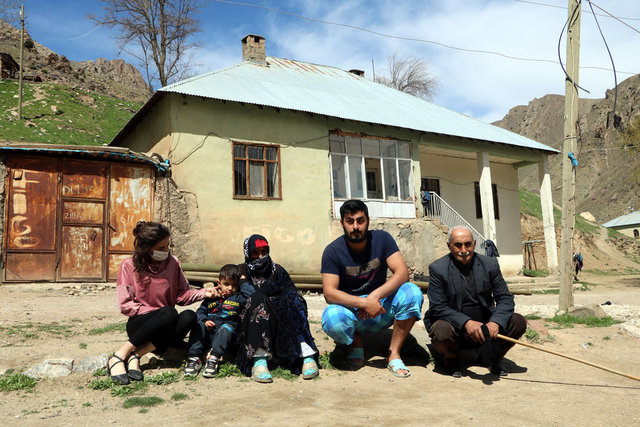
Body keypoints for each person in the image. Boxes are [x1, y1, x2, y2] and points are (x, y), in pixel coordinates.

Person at [321, 199, 424, 378]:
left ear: (368, 221)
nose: (355, 226)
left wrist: (374, 297)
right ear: (342, 223)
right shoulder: (332, 251)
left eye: (360, 221)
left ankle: (393, 353)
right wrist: (362, 303)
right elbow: (329, 293)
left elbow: (402, 273)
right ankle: (356, 343)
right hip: (354, 310)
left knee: (412, 293)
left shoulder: (382, 239)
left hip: (381, 306)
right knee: (331, 317)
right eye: (350, 221)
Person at [107, 221, 215, 385]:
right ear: (147, 248)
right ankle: (119, 355)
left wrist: (205, 292)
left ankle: (136, 355)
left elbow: (182, 296)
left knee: (189, 316)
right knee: (168, 312)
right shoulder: (128, 265)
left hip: (165, 328)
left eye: (167, 246)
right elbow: (125, 305)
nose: (166, 251)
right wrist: (156, 312)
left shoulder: (173, 263)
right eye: (161, 248)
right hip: (140, 327)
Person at [425, 225, 527, 378]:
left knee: (517, 322)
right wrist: (466, 322)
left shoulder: (489, 264)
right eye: (458, 245)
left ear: (474, 243)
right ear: (449, 246)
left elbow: (505, 298)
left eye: (468, 244)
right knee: (441, 330)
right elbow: (438, 307)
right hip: (455, 328)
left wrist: (495, 322)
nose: (464, 250)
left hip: (486, 327)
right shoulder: (438, 268)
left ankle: (494, 358)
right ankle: (451, 360)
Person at [235, 234, 319, 383]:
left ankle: (306, 355)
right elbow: (233, 299)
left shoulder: (277, 270)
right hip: (251, 323)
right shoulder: (240, 271)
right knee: (257, 299)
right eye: (255, 253)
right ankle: (259, 360)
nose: (260, 257)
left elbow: (290, 291)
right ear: (247, 253)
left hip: (279, 321)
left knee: (293, 298)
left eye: (264, 252)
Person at [184, 264, 254, 378]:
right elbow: (200, 312)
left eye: (234, 285)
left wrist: (242, 283)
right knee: (198, 324)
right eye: (226, 284)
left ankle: (213, 359)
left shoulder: (239, 298)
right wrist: (205, 321)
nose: (230, 288)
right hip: (208, 334)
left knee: (226, 327)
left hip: (227, 336)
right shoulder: (211, 298)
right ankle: (194, 358)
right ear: (219, 283)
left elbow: (252, 295)